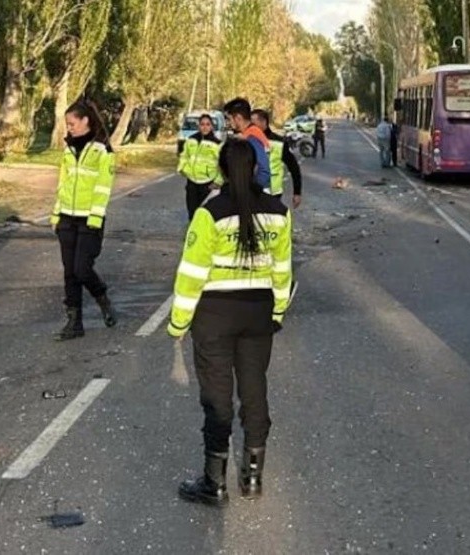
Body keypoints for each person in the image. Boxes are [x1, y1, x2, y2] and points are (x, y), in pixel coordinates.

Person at [168, 139, 293, 507]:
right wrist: (277, 312)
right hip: (258, 312)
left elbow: (191, 272)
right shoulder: (278, 212)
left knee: (217, 397)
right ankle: (253, 477)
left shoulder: (211, 213)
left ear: (221, 170)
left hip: (215, 316)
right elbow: (282, 269)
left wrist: (178, 323)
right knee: (255, 390)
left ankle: (214, 483)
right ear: (256, 167)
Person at [49, 100, 117, 341]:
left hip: (90, 219)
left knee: (82, 269)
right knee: (69, 272)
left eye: (72, 123)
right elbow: (63, 185)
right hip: (67, 218)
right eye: (67, 124)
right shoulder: (68, 150)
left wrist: (96, 217)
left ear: (86, 120)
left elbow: (103, 187)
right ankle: (74, 323)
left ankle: (102, 298)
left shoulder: (102, 151)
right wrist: (56, 215)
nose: (69, 128)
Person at [249, 109, 302, 209]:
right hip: (252, 191)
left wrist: (297, 193)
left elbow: (294, 167)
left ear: (263, 122)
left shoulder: (279, 142)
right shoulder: (248, 140)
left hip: (273, 193)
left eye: (253, 124)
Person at [177, 114, 222, 220]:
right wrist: (182, 168)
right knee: (192, 213)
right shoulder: (191, 140)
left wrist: (218, 181)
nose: (205, 127)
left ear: (211, 127)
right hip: (192, 182)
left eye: (207, 124)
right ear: (199, 126)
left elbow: (222, 164)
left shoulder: (217, 144)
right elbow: (184, 155)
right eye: (202, 124)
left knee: (205, 214)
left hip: (208, 183)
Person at [222, 97, 271, 192]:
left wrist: (251, 192)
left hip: (257, 193)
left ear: (238, 118)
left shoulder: (252, 137)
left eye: (229, 119)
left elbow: (264, 170)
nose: (228, 123)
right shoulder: (251, 133)